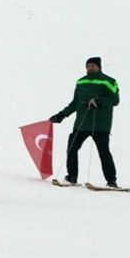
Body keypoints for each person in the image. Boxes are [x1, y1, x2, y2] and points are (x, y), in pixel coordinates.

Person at [50, 56, 120, 187]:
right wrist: (61, 115)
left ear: (99, 67)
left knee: (104, 152)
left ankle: (112, 181)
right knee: (72, 148)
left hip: (100, 125)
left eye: (92, 65)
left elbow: (115, 101)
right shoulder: (81, 82)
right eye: (88, 66)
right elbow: (75, 103)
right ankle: (71, 177)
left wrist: (99, 101)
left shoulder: (109, 81)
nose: (90, 68)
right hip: (81, 124)